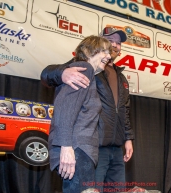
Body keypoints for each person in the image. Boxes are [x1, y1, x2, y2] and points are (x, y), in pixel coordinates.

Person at [41, 27, 135, 193]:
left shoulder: (120, 77)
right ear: (95, 47)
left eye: (118, 43)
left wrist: (128, 138)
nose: (114, 45)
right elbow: (48, 75)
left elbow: (124, 110)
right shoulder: (86, 67)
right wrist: (62, 73)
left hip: (114, 147)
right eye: (109, 42)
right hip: (90, 146)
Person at [48, 35, 111, 193]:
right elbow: (65, 107)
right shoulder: (85, 68)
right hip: (76, 149)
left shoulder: (87, 74)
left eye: (109, 52)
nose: (109, 56)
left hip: (79, 149)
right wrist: (66, 147)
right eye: (104, 51)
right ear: (89, 51)